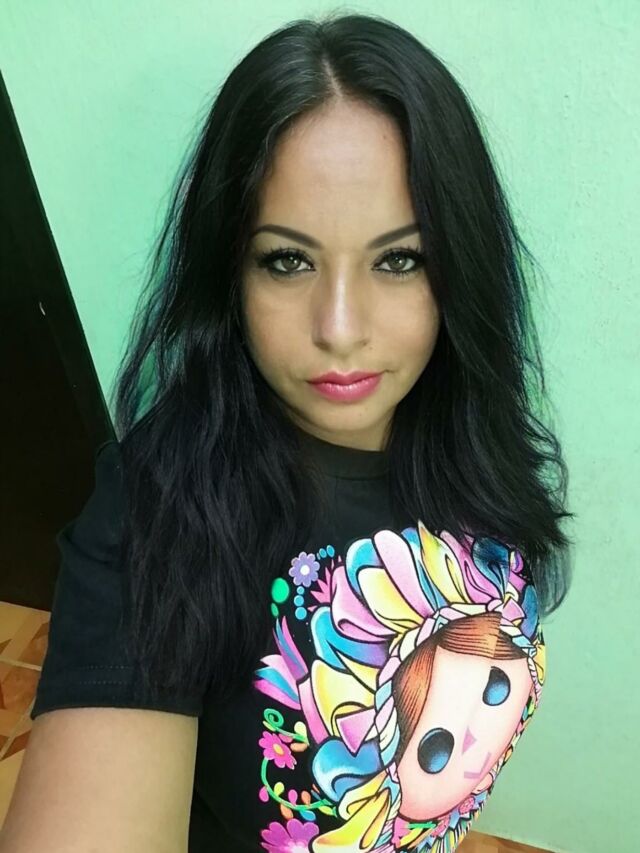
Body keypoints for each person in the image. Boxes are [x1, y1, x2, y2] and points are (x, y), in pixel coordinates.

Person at [0, 11, 574, 853]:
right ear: (228, 274)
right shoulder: (157, 516)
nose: (339, 328)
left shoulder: (474, 434)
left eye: (399, 259)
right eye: (287, 260)